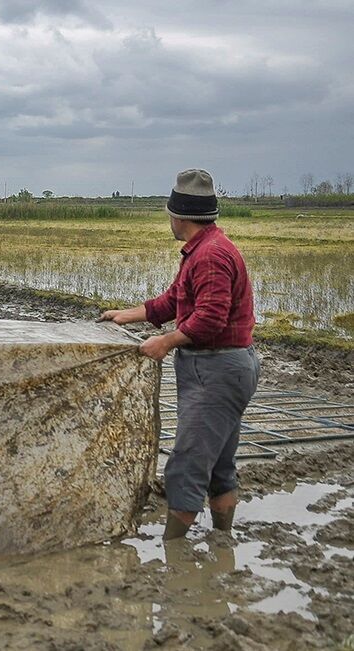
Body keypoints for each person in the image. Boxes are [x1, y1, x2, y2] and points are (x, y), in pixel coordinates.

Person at [100, 169, 259, 540]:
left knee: (186, 465)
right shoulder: (204, 248)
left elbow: (210, 318)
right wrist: (130, 313)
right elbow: (176, 300)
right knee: (218, 464)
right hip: (224, 367)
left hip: (217, 369)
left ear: (179, 215)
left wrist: (166, 342)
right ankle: (223, 542)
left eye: (170, 213)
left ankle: (175, 554)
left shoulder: (210, 256)